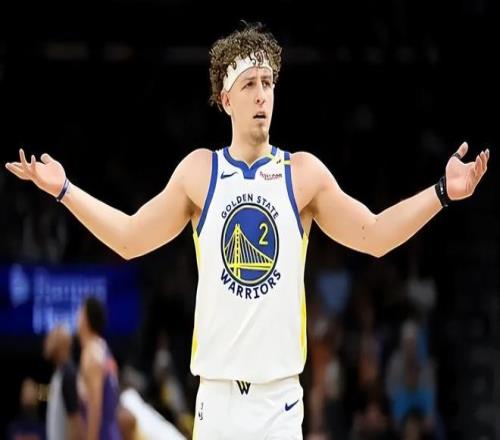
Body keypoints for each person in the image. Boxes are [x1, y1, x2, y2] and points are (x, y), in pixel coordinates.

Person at [5, 22, 490, 439]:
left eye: (268, 83)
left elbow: (376, 235)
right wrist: (65, 189)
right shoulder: (201, 172)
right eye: (250, 84)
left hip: (279, 402)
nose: (262, 94)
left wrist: (441, 193)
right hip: (216, 400)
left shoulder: (302, 174)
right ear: (226, 98)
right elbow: (130, 239)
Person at [77, 297, 122, 440]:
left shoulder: (91, 354)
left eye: (80, 312)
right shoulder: (103, 349)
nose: (77, 316)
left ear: (86, 319)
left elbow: (95, 407)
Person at [44, 324, 82, 440]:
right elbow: (55, 396)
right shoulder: (59, 373)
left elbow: (74, 420)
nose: (46, 342)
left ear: (62, 344)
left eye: (51, 338)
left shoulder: (69, 375)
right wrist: (36, 392)